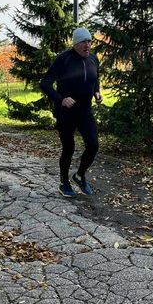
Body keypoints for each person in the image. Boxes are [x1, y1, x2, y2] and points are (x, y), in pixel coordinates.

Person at [40, 27, 103, 197]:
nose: (87, 45)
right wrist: (61, 99)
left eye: (89, 41)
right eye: (83, 42)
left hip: (85, 111)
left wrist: (97, 91)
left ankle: (80, 176)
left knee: (93, 146)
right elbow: (45, 83)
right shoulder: (64, 59)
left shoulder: (93, 59)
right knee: (68, 148)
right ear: (75, 44)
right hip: (66, 112)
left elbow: (95, 78)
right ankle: (64, 183)